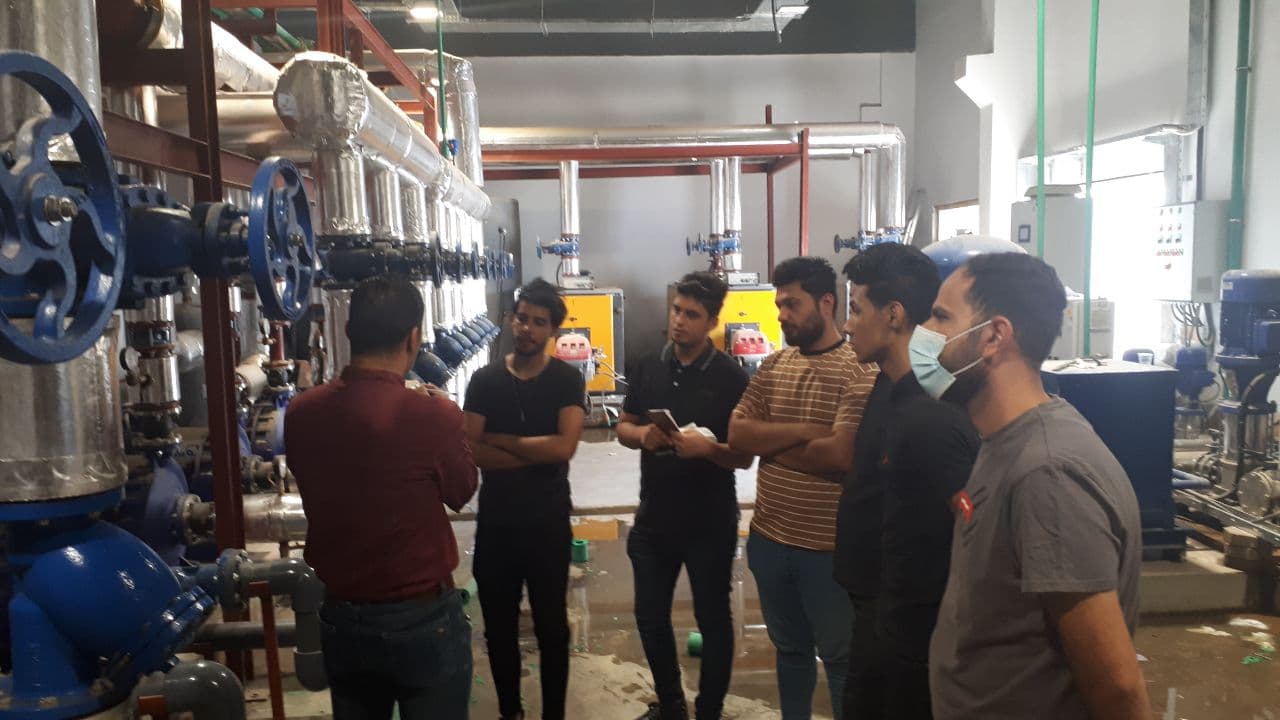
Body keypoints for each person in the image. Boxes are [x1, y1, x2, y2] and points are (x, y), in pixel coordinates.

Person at [921, 253, 1148, 720]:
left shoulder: (1048, 472)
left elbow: (1118, 689)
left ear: (994, 336)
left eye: (941, 317)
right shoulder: (1004, 440)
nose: (924, 333)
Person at [285, 275, 478, 720]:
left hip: (342, 617)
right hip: (423, 619)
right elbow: (462, 491)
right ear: (413, 338)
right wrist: (447, 418)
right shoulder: (433, 414)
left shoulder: (301, 413)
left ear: (348, 331)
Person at [728, 256, 878, 720]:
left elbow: (840, 455)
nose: (781, 315)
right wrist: (806, 432)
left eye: (792, 304)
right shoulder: (774, 365)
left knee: (840, 658)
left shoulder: (860, 369)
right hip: (770, 540)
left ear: (826, 302)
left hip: (826, 549)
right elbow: (737, 435)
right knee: (790, 651)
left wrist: (770, 446)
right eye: (779, 305)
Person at [836, 245, 979, 720]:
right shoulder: (888, 386)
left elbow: (971, 524)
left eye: (856, 309)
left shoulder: (933, 412)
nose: (847, 325)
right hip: (877, 609)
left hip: (911, 630)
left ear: (893, 315)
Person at [616, 272, 754, 720]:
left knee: (713, 620)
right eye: (677, 309)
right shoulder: (647, 365)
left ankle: (709, 710)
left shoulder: (732, 378)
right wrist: (643, 436)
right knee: (649, 616)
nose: (679, 320)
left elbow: (744, 457)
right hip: (654, 517)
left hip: (709, 522)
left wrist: (708, 449)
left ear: (712, 321)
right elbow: (623, 426)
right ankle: (672, 705)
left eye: (692, 314)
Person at [464, 278, 587, 720]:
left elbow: (564, 447)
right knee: (498, 629)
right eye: (521, 318)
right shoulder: (485, 380)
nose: (527, 328)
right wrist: (535, 451)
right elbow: (469, 450)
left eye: (538, 322)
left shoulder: (567, 380)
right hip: (497, 525)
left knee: (552, 627)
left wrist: (501, 441)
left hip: (547, 524)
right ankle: (509, 712)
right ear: (511, 319)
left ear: (553, 329)